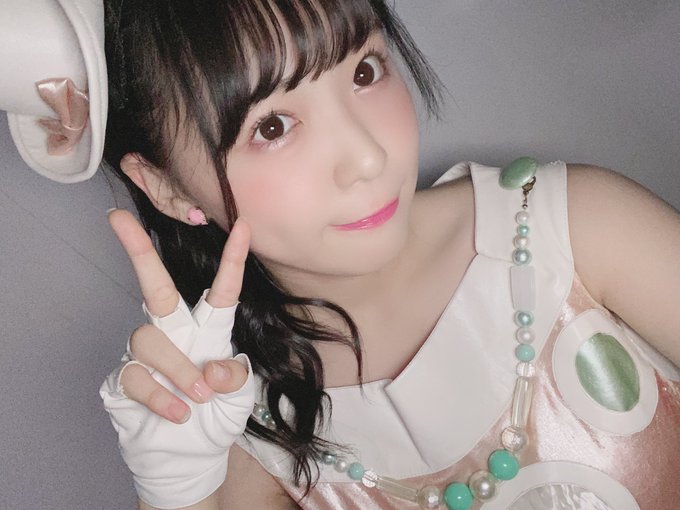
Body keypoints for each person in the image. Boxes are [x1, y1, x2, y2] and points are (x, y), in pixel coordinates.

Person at [93, 1, 680, 509]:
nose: (368, 157)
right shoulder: (242, 428)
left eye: (365, 71)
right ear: (165, 187)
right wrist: (179, 491)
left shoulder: (573, 228)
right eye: (272, 127)